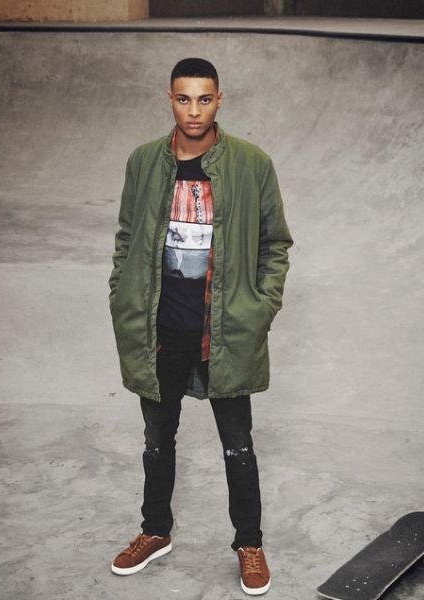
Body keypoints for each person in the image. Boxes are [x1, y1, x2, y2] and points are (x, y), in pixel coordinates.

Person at [109, 57, 293, 596]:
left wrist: (262, 307)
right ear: (169, 99)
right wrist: (120, 292)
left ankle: (249, 543)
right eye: (184, 98)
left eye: (204, 99)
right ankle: (155, 531)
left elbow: (275, 243)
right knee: (157, 439)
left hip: (225, 330)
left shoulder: (252, 164)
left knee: (238, 444)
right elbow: (126, 236)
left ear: (219, 101)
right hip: (160, 327)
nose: (194, 111)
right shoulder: (144, 162)